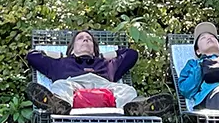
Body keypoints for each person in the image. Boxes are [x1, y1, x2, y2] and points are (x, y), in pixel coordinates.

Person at [26, 29, 170, 115]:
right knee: (60, 85)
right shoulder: (60, 63)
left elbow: (131, 54)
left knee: (127, 90)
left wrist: (103, 56)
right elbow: (32, 55)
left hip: (104, 87)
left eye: (89, 39)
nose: (85, 40)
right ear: (72, 47)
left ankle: (134, 109)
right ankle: (58, 105)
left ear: (95, 49)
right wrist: (61, 55)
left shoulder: (107, 64)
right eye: (81, 38)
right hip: (73, 85)